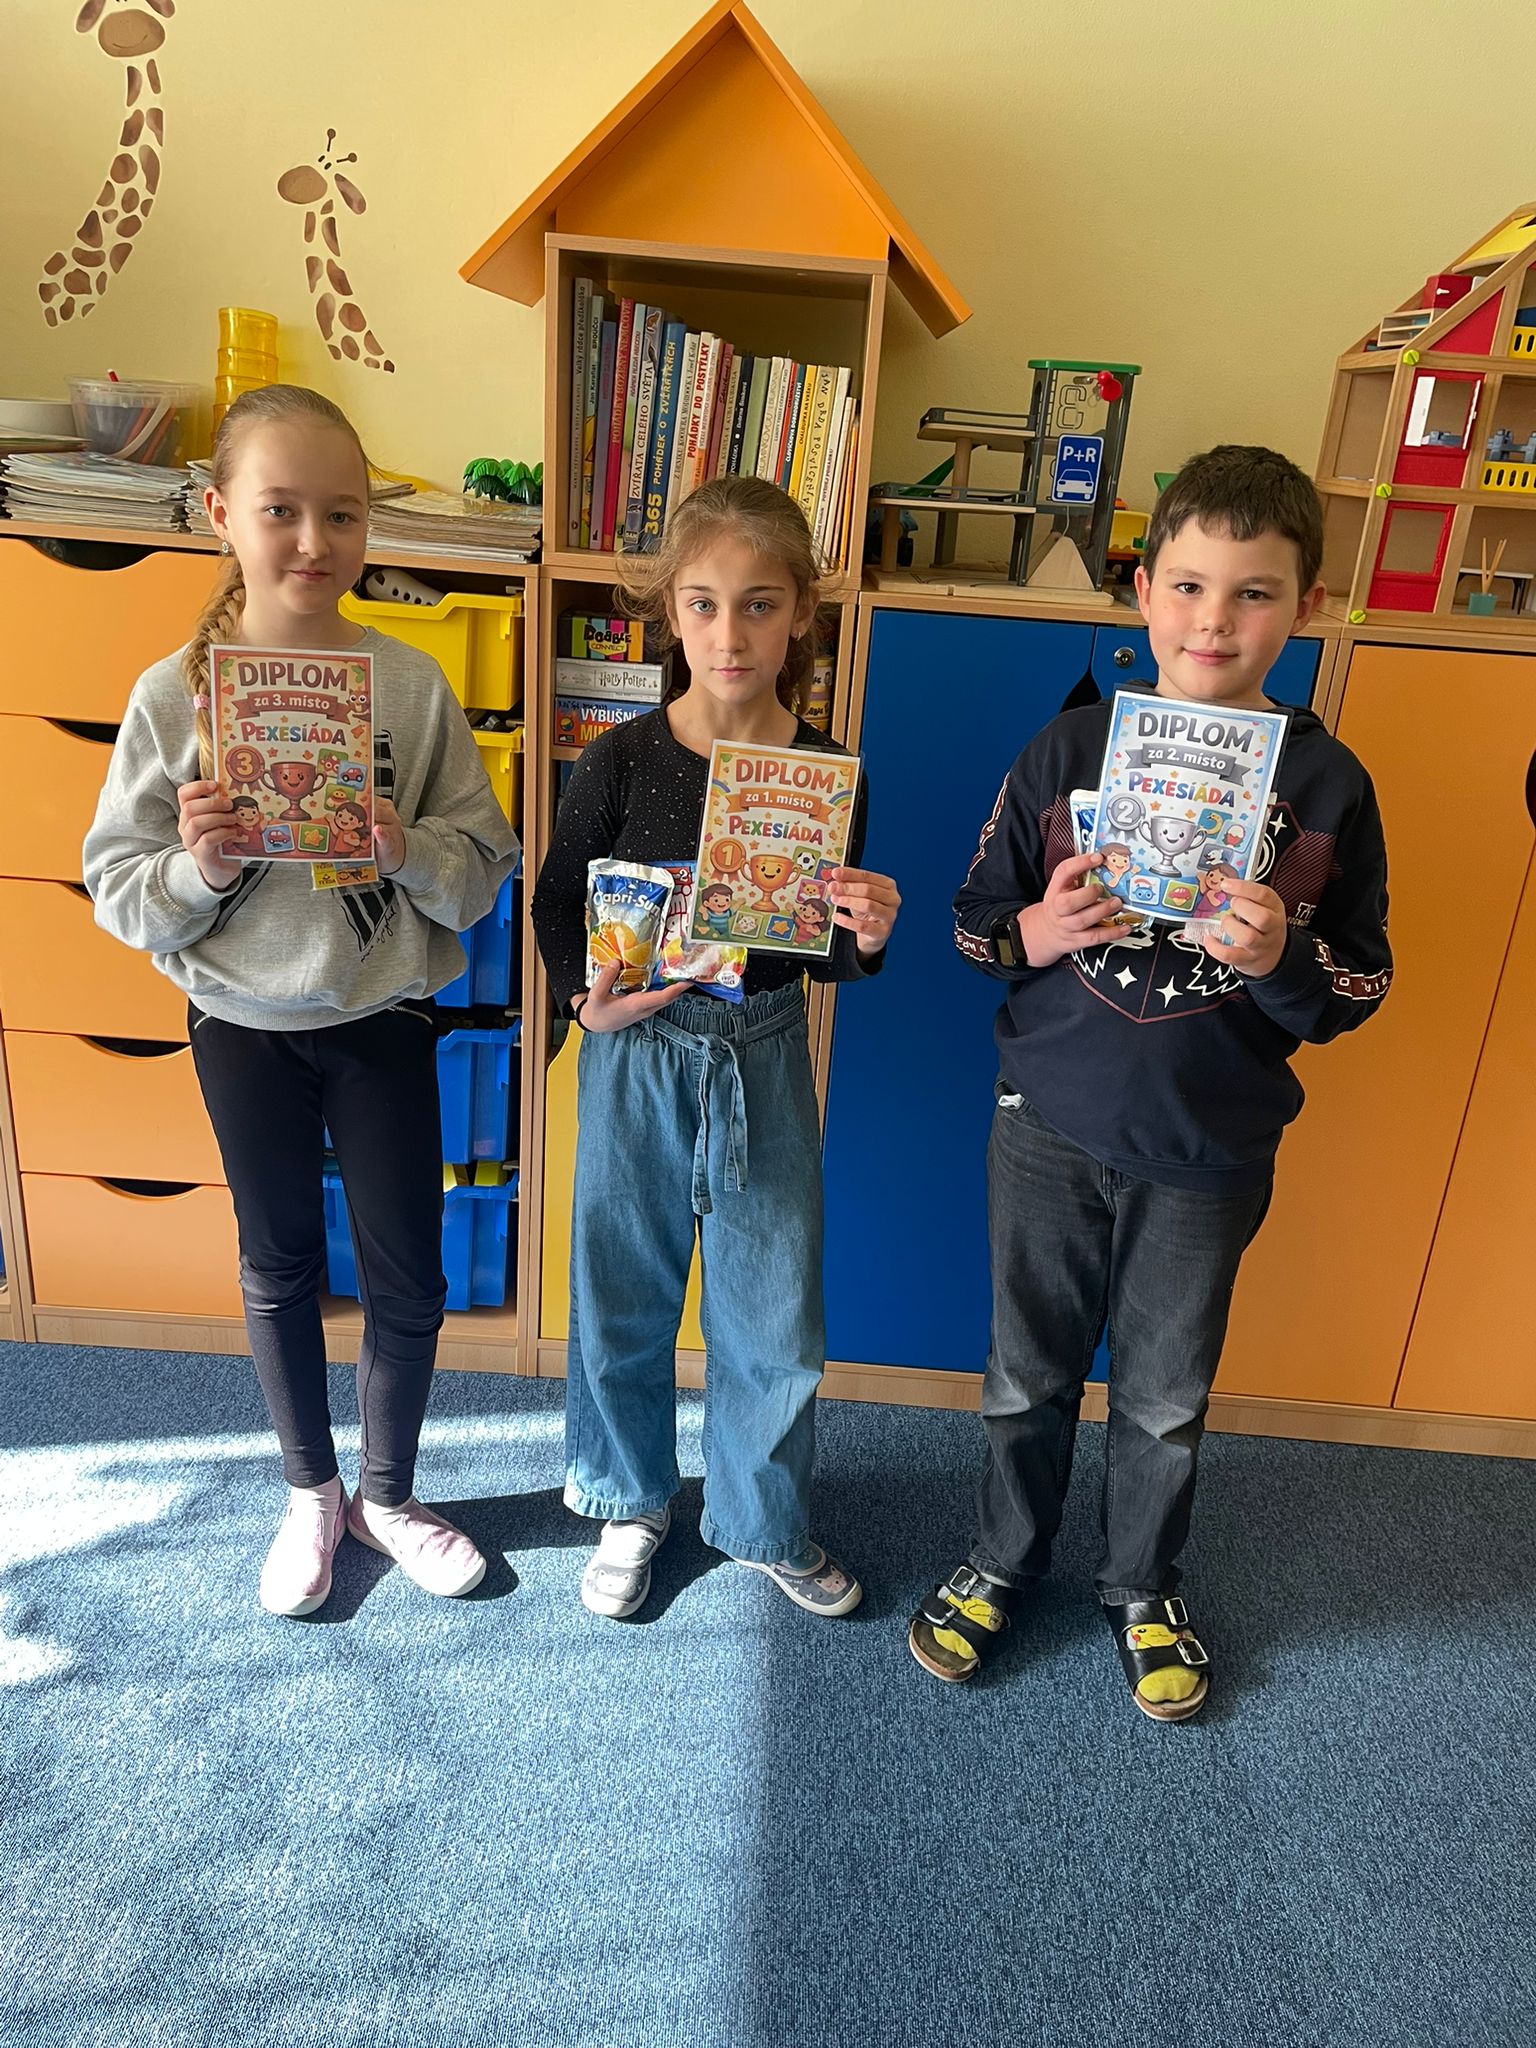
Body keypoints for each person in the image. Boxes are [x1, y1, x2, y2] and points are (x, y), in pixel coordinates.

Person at [908, 445, 1392, 1717]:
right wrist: (1036, 932)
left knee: (1167, 1397)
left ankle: (1140, 1582)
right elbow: (971, 922)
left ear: (1306, 606)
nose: (1213, 620)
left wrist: (1284, 958)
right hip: (1047, 1123)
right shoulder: (1069, 746)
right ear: (1142, 590)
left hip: (1207, 1150)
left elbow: (1359, 987)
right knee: (1025, 1375)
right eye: (1187, 585)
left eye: (1253, 593)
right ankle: (1004, 1556)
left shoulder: (1330, 787)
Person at [83, 384, 520, 1619]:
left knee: (409, 1273)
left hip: (378, 1013)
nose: (314, 541)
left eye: (343, 513)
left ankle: (389, 1492)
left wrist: (404, 848)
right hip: (240, 1022)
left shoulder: (411, 687)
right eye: (281, 509)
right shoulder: (174, 696)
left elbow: (482, 867)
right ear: (220, 513)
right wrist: (202, 869)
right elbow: (119, 887)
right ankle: (309, 1489)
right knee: (277, 1260)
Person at [531, 475, 900, 1621]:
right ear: (671, 614)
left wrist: (866, 935)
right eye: (703, 603)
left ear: (800, 617)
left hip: (763, 1056)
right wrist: (585, 1006)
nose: (729, 632)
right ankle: (628, 1497)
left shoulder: (827, 773)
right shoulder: (621, 759)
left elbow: (821, 954)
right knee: (620, 1290)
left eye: (758, 604)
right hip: (637, 1057)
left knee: (773, 1311)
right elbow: (556, 904)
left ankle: (760, 1516)